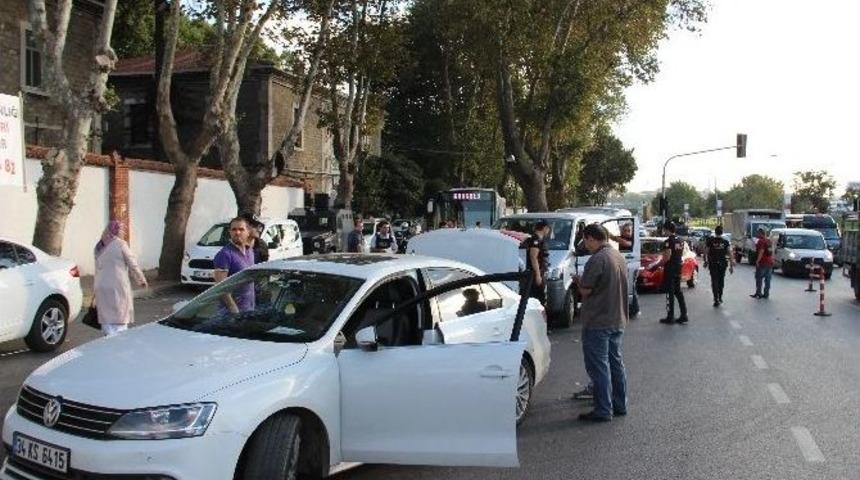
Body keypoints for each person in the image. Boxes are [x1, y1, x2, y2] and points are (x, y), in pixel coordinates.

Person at [572, 224, 628, 422]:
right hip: (617, 318)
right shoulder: (618, 256)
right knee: (616, 364)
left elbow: (586, 290)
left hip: (598, 320)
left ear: (591, 238)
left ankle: (603, 409)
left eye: (585, 241)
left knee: (599, 367)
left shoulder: (597, 259)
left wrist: (578, 281)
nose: (585, 245)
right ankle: (619, 404)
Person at [93, 220, 147, 337]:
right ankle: (118, 345)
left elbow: (97, 267)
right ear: (118, 231)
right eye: (122, 230)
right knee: (120, 317)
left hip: (101, 286)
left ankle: (108, 339)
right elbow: (132, 264)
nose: (123, 232)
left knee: (106, 317)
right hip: (117, 286)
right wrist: (141, 280)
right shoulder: (121, 244)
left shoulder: (99, 245)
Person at [213, 217, 256, 313]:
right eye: (234, 229)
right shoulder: (224, 254)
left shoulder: (250, 251)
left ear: (248, 232)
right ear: (229, 232)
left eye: (241, 229)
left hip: (249, 309)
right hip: (230, 315)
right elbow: (220, 287)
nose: (237, 233)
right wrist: (234, 310)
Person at [649, 222, 688, 324]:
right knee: (678, 291)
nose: (663, 231)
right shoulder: (680, 240)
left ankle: (670, 316)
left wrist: (656, 266)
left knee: (670, 292)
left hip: (670, 268)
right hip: (678, 267)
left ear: (667, 230)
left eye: (664, 230)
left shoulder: (668, 241)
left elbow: (667, 256)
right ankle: (684, 314)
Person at [704, 225, 734, 307]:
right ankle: (720, 297)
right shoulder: (725, 242)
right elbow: (730, 254)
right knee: (721, 280)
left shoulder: (710, 241)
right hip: (723, 264)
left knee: (714, 281)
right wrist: (731, 266)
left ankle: (716, 298)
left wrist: (705, 261)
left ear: (715, 232)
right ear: (722, 232)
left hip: (713, 263)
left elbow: (706, 251)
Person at [521, 220, 550, 305]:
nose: (548, 231)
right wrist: (537, 275)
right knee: (537, 299)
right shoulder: (535, 240)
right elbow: (533, 257)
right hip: (535, 274)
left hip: (541, 272)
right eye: (548, 229)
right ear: (545, 228)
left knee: (541, 298)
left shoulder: (540, 239)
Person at [751, 227, 774, 299]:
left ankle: (758, 293)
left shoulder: (761, 241)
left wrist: (757, 261)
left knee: (759, 278)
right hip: (769, 262)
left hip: (762, 262)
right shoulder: (769, 241)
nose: (757, 234)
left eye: (758, 232)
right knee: (768, 279)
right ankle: (766, 294)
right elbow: (772, 251)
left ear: (760, 233)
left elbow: (761, 251)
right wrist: (772, 260)